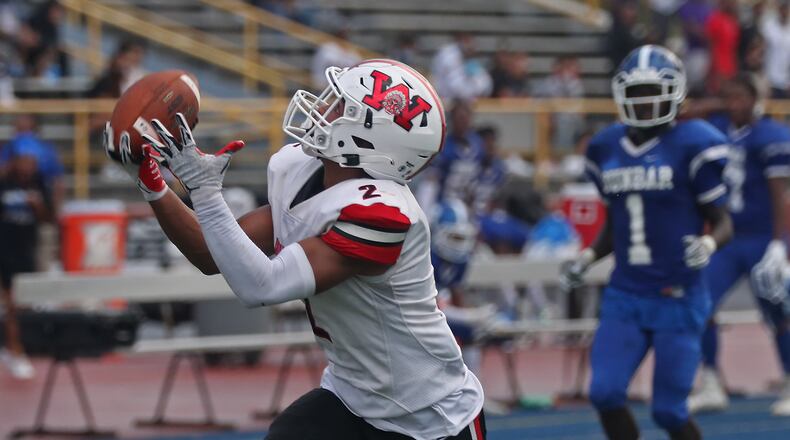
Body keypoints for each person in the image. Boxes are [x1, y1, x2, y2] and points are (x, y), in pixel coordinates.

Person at [105, 59, 486, 439]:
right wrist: (151, 182)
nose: (322, 108)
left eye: (340, 106)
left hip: (430, 417)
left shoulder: (383, 214)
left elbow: (262, 286)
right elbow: (212, 252)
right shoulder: (302, 171)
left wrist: (205, 193)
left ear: (373, 139)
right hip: (354, 395)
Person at [560, 45, 733, 440]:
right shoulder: (605, 147)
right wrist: (586, 257)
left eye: (652, 91)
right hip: (626, 294)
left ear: (676, 92)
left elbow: (723, 222)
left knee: (669, 412)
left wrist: (708, 245)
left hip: (678, 296)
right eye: (636, 93)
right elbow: (616, 224)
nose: (644, 101)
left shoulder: (696, 142)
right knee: (604, 393)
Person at [687, 74, 790, 416]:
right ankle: (712, 381)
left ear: (756, 99)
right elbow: (682, 114)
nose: (735, 105)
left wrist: (780, 244)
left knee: (780, 314)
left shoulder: (772, 135)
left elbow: (782, 197)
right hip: (729, 238)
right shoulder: (718, 130)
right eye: (729, 98)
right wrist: (723, 100)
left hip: (762, 238)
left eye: (741, 98)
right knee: (701, 304)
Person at [0, 142, 53, 379]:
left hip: (25, 250)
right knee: (10, 303)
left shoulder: (38, 183)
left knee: (19, 306)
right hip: (4, 249)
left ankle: (14, 349)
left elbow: (48, 218)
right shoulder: (4, 183)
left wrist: (38, 206)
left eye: (32, 161)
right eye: (24, 160)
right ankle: (15, 350)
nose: (28, 165)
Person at [430, 33, 492, 101]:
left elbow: (486, 85)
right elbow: (456, 88)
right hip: (446, 100)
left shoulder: (472, 63)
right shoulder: (448, 54)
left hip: (466, 101)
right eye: (467, 40)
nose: (471, 47)